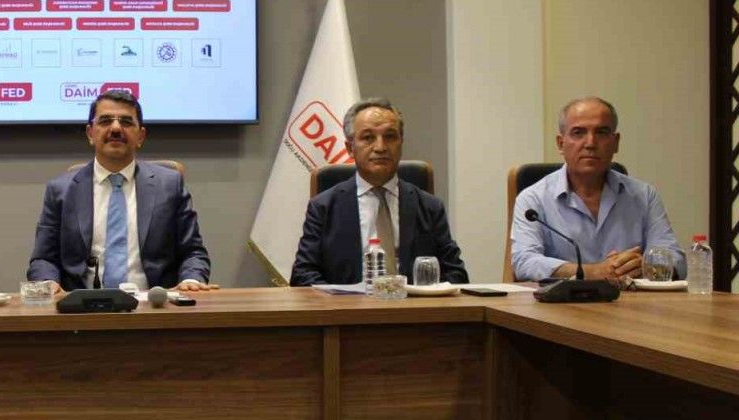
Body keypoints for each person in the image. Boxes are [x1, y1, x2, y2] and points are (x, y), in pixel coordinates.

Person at [27, 90, 212, 293]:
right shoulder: (61, 190)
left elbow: (193, 252)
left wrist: (191, 280)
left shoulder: (169, 185)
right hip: (82, 305)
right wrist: (48, 282)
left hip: (154, 305)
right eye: (105, 121)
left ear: (141, 136)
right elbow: (43, 259)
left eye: (126, 122)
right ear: (90, 133)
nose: (116, 128)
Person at [290, 98, 469, 286]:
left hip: (414, 303)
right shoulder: (323, 207)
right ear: (350, 148)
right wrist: (342, 300)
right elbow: (303, 275)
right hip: (347, 304)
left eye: (390, 137)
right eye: (368, 138)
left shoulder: (430, 207)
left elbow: (456, 274)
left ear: (401, 144)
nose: (380, 147)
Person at [510, 96, 685, 283]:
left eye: (601, 133)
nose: (591, 143)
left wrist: (644, 266)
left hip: (631, 299)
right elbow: (524, 262)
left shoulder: (644, 196)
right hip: (564, 300)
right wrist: (593, 272)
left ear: (616, 142)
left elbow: (677, 260)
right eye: (578, 133)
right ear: (561, 144)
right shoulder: (533, 199)